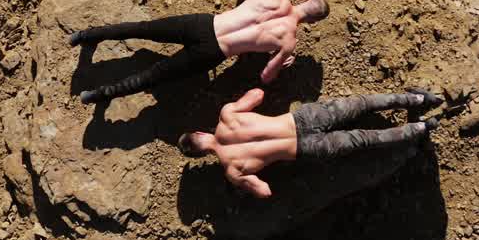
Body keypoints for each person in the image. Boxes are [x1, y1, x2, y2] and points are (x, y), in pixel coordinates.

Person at [69, 0, 328, 104]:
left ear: (307, 0)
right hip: (214, 52)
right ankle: (97, 96)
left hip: (203, 24)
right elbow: (266, 77)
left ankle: (86, 35)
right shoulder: (288, 42)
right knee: (153, 76)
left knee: (142, 28)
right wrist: (280, 61)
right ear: (312, 21)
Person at [177, 87, 442, 198]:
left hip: (305, 149)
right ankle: (419, 99)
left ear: (202, 156)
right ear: (200, 133)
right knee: (363, 104)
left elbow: (265, 191)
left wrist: (245, 186)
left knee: (365, 139)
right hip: (301, 120)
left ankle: (421, 128)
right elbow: (258, 94)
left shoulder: (233, 171)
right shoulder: (227, 116)